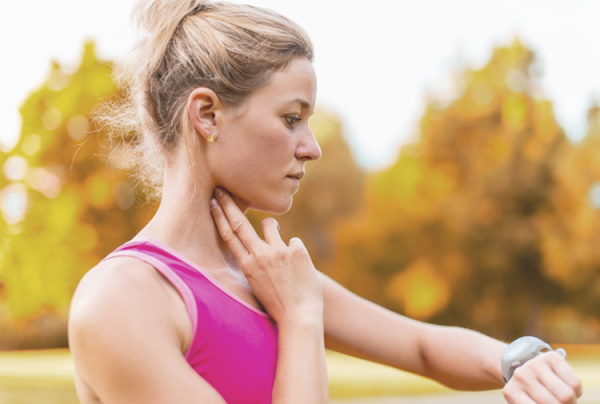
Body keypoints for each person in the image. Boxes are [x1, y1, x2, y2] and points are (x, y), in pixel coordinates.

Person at [68, 0, 582, 403]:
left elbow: (421, 347)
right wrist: (301, 321)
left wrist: (523, 361)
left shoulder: (267, 276)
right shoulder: (122, 301)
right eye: (292, 118)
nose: (311, 147)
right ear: (207, 115)